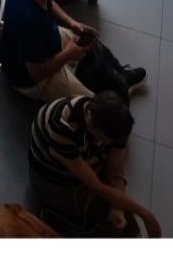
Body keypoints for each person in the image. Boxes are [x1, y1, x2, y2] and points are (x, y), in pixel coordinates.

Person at [0, 0, 146, 102]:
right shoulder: (27, 22)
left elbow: (47, 0)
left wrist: (71, 23)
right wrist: (69, 53)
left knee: (90, 41)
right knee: (94, 105)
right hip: (33, 79)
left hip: (46, 40)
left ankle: (121, 75)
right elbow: (37, 74)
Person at [29, 90, 161, 237]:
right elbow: (96, 186)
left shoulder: (117, 126)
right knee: (113, 225)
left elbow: (115, 170)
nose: (101, 144)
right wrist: (144, 213)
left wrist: (117, 208)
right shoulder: (60, 127)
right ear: (90, 118)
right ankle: (64, 225)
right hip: (52, 178)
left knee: (125, 222)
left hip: (84, 165)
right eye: (102, 139)